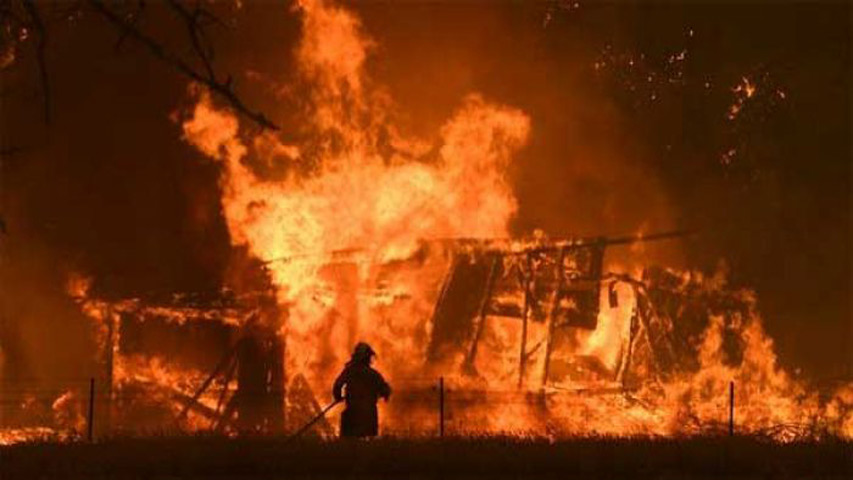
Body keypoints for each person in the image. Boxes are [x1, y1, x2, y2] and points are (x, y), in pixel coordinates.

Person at [332, 342, 391, 438]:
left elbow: (337, 385)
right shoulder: (373, 374)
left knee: (350, 444)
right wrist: (384, 393)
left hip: (353, 412)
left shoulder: (349, 371)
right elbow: (385, 389)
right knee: (366, 443)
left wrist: (337, 396)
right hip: (368, 414)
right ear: (368, 358)